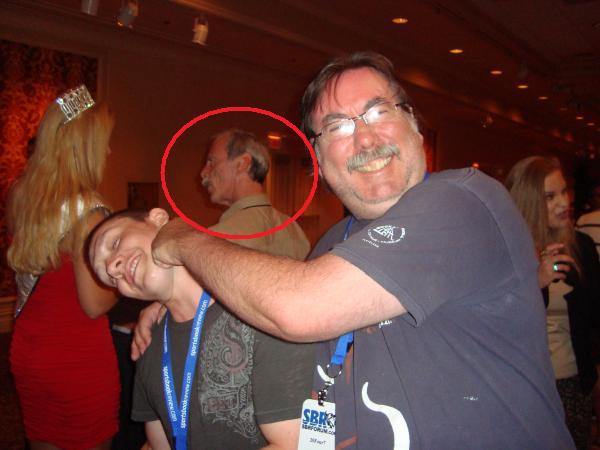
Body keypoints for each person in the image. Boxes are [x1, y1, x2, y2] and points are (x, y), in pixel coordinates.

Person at [138, 51, 573, 448]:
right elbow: (313, 376)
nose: (365, 138)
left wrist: (185, 241)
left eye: (379, 111)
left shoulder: (463, 201)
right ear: (318, 159)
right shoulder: (331, 246)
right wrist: (177, 304)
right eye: (338, 127)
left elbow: (299, 307)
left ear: (414, 127)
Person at [88, 208, 314, 449]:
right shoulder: (147, 345)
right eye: (110, 278)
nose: (112, 267)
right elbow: (158, 444)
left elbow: (297, 445)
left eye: (115, 242)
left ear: (159, 219)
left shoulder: (260, 312)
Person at [7, 85, 120, 450]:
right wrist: (122, 276)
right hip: (76, 358)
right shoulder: (90, 214)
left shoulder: (20, 196)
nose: (108, 151)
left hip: (29, 348)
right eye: (103, 143)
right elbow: (94, 304)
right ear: (84, 147)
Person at [505, 156, 600, 449]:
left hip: (575, 382)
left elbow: (595, 317)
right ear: (529, 200)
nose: (563, 202)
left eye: (564, 191)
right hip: (527, 385)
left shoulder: (581, 245)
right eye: (550, 196)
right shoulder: (508, 250)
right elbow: (498, 320)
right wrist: (537, 283)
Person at [199, 128, 310, 256]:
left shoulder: (220, 239)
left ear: (242, 164)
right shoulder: (295, 231)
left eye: (211, 162)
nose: (203, 173)